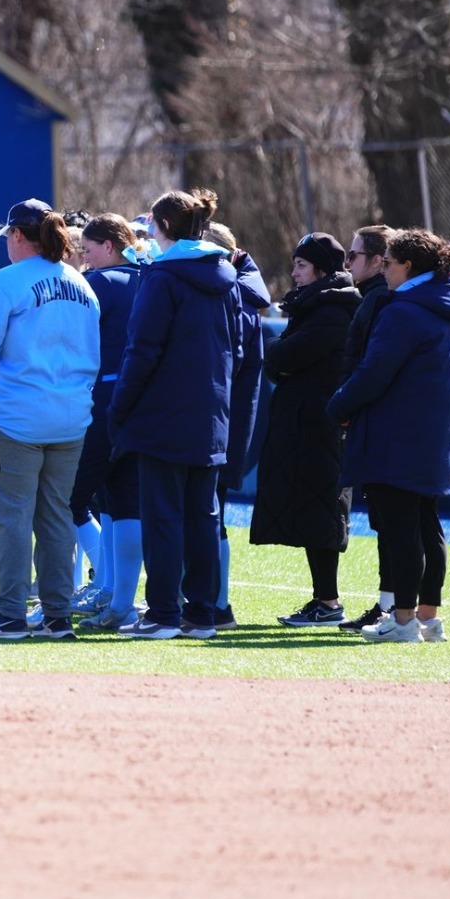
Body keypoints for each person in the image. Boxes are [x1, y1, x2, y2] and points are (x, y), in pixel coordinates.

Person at [0, 198, 99, 640]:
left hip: (14, 419)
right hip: (70, 419)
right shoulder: (81, 283)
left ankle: (11, 614)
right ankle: (57, 616)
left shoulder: (5, 282)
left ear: (18, 235)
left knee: (11, 517)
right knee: (56, 517)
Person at [327, 228, 450, 644]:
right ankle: (427, 617)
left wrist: (338, 408)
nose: (384, 270)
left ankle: (404, 620)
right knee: (427, 524)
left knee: (400, 528)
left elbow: (374, 372)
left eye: (388, 263)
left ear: (407, 267)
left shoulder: (404, 310)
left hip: (396, 433)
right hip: (436, 435)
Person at [108, 188, 241, 642]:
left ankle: (164, 612)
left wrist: (120, 408)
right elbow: (236, 350)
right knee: (203, 517)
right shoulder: (225, 275)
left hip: (162, 415)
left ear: (162, 228)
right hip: (210, 414)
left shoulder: (163, 277)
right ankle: (201, 613)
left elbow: (141, 350)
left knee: (162, 517)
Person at [255, 233, 365, 627]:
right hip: (306, 424)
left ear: (320, 269)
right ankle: (324, 599)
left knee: (323, 513)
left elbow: (282, 356)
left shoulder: (333, 310)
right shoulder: (315, 306)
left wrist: (279, 358)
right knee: (312, 511)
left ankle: (329, 603)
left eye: (301, 266)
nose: (294, 273)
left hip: (322, 426)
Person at [71, 214, 143, 628]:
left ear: (110, 246)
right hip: (141, 401)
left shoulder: (100, 283)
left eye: (89, 249)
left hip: (101, 399)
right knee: (122, 501)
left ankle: (82, 592)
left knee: (70, 498)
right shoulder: (150, 279)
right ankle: (118, 596)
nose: (84, 258)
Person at [208, 222, 270, 629]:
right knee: (208, 513)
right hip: (224, 423)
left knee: (209, 513)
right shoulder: (242, 297)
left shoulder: (235, 302)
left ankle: (215, 603)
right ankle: (208, 600)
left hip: (218, 425)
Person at [337, 224, 396, 634]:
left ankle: (396, 607)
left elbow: (369, 366)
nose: (348, 263)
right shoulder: (370, 298)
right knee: (389, 519)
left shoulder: (379, 300)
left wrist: (345, 405)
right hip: (372, 420)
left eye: (355, 256)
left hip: (378, 423)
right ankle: (396, 605)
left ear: (378, 261)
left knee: (394, 520)